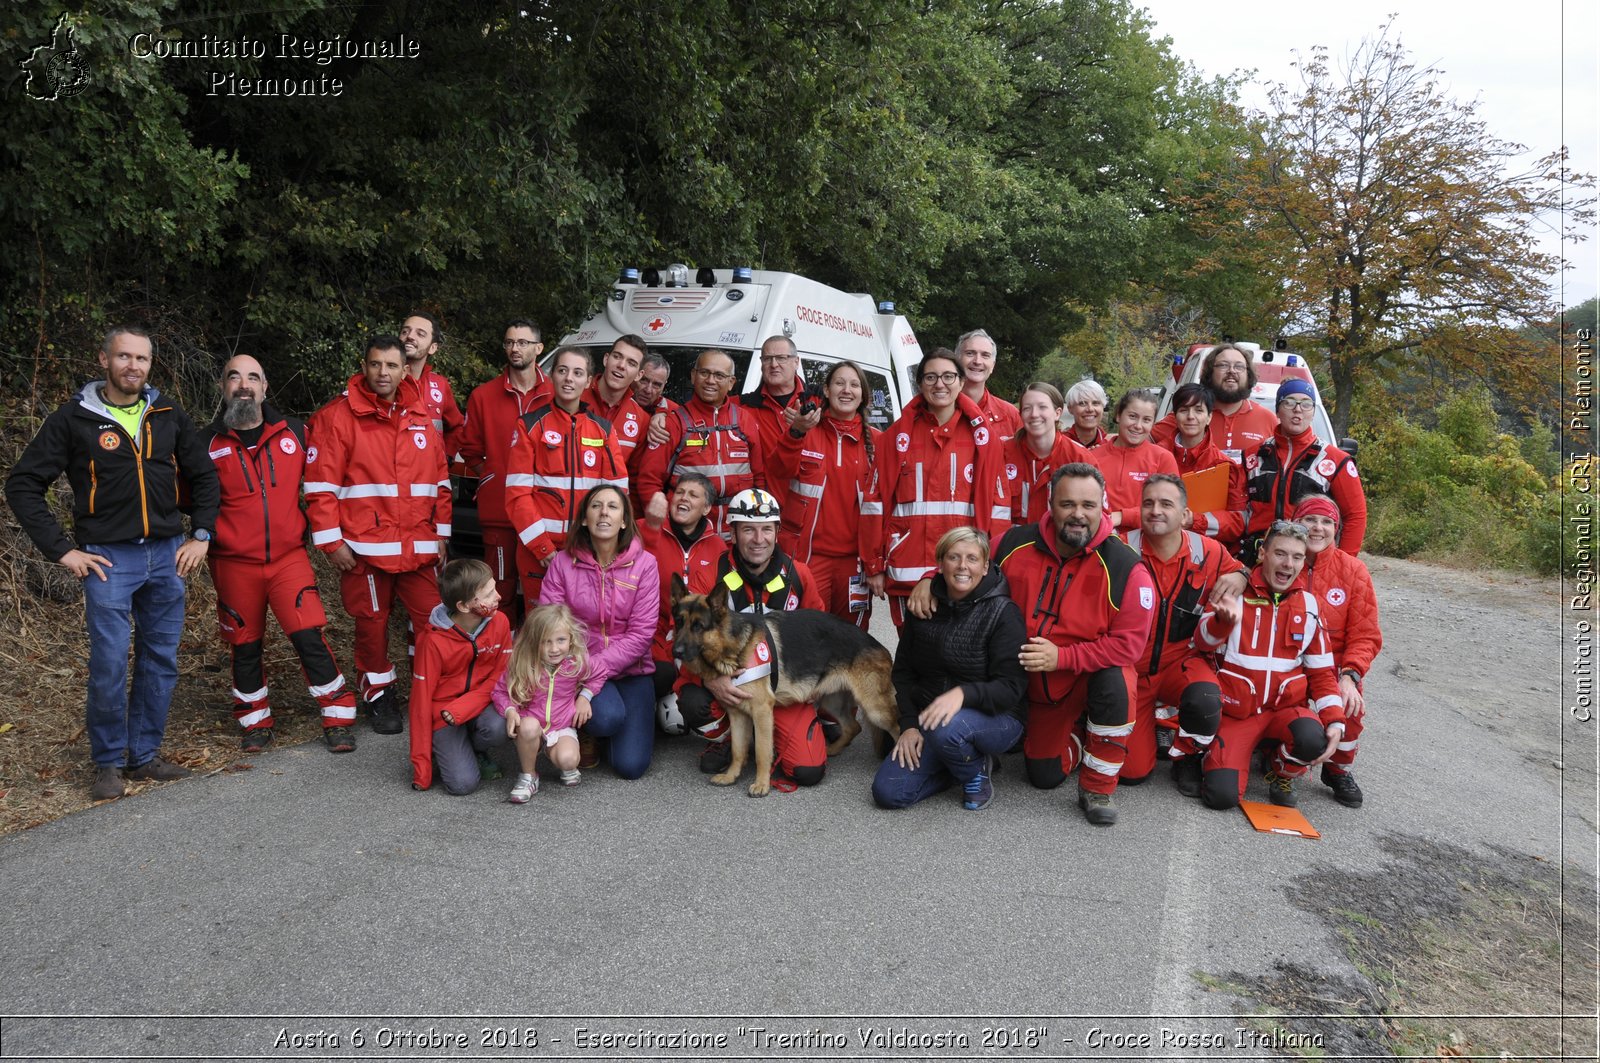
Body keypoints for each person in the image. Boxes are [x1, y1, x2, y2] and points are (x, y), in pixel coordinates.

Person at [5, 325, 219, 801]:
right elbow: (22, 484)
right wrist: (62, 550)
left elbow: (205, 474)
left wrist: (201, 534)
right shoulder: (74, 418)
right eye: (124, 357)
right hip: (108, 560)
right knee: (108, 663)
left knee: (160, 659)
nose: (133, 366)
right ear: (105, 361)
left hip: (167, 556)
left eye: (141, 359)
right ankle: (107, 762)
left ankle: (143, 756)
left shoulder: (166, 413)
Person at [202, 354, 359, 753]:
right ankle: (255, 722)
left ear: (265, 387)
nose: (244, 384)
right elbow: (189, 500)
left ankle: (338, 716)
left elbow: (328, 477)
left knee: (309, 635)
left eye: (253, 376)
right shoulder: (204, 442)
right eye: (234, 376)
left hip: (288, 558)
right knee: (245, 644)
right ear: (223, 386)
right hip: (233, 563)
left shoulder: (295, 431)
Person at [305, 334, 451, 734]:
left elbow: (440, 481)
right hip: (364, 548)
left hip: (418, 546)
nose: (383, 373)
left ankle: (432, 690)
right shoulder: (337, 417)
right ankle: (379, 694)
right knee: (372, 624)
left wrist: (442, 534)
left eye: (391, 365)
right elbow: (319, 487)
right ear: (364, 366)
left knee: (435, 621)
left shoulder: (420, 413)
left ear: (406, 369)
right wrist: (332, 542)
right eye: (375, 365)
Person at [994, 463, 1154, 826]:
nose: (1077, 514)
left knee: (1117, 679)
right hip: (1025, 683)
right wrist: (929, 580)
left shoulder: (1127, 568)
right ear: (1050, 504)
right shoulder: (1013, 543)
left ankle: (1097, 787)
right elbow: (965, 563)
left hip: (1084, 679)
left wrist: (1062, 656)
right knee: (1043, 776)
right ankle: (1077, 736)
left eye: (1088, 505)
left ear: (1103, 507)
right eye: (1067, 504)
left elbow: (1127, 648)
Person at [673, 488, 831, 783]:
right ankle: (730, 740)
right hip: (726, 686)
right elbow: (685, 639)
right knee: (694, 702)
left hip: (782, 691)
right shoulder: (709, 578)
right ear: (732, 532)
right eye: (748, 530)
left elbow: (820, 634)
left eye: (766, 530)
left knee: (807, 771)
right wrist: (709, 679)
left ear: (777, 532)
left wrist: (817, 680)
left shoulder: (798, 574)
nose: (759, 540)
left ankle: (772, 737)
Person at [871, 527, 1027, 811]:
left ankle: (976, 770)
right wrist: (908, 726)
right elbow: (904, 673)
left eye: (972, 558)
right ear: (940, 565)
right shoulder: (923, 608)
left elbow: (1011, 689)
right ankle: (958, 764)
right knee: (888, 792)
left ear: (985, 566)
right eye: (953, 557)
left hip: (998, 718)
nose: (962, 566)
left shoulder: (1003, 613)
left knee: (948, 729)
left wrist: (963, 695)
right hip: (934, 720)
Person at [1194, 519, 1346, 809]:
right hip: (1236, 714)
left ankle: (1279, 770)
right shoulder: (1233, 591)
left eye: (1297, 557)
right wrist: (1221, 623)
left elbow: (1322, 673)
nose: (1288, 564)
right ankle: (1214, 755)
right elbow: (1201, 643)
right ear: (1263, 553)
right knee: (1220, 798)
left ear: (1304, 561)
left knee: (1312, 739)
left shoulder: (1311, 605)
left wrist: (1335, 721)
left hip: (1284, 711)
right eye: (1280, 554)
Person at [1119, 475, 1245, 791]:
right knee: (1132, 774)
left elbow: (1244, 571)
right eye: (1148, 503)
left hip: (1181, 663)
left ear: (1185, 513)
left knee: (1205, 696)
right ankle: (1125, 729)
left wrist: (1241, 577)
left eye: (1166, 504)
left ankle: (1187, 756)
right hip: (1134, 667)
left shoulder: (1210, 552)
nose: (1155, 511)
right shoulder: (1120, 548)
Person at [875, 352, 1009, 628]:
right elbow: (874, 503)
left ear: (961, 383)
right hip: (907, 569)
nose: (940, 384)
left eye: (948, 377)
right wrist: (873, 564)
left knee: (962, 653)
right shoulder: (895, 437)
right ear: (920, 384)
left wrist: (992, 562)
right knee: (914, 658)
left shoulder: (983, 439)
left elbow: (998, 507)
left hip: (964, 572)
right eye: (931, 377)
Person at [538, 484, 659, 779]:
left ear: (624, 521)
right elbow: (549, 624)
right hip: (578, 669)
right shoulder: (563, 564)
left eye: (613, 507)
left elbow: (642, 634)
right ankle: (584, 727)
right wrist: (582, 669)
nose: (604, 512)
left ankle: (616, 722)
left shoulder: (645, 564)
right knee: (606, 719)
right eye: (596, 506)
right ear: (583, 519)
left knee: (631, 767)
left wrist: (596, 667)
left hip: (631, 670)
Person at [503, 347, 627, 603]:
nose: (569, 378)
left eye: (577, 372)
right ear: (552, 376)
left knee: (584, 628)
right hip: (538, 552)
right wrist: (542, 547)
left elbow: (616, 498)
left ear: (589, 381)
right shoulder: (529, 425)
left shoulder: (603, 430)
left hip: (588, 550)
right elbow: (517, 497)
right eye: (562, 370)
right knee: (542, 627)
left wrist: (598, 546)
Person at [766, 359, 883, 628]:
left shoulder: (878, 442)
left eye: (854, 385)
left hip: (855, 565)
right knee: (806, 632)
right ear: (827, 391)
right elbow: (778, 470)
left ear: (863, 395)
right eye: (839, 383)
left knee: (850, 638)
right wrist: (796, 432)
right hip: (808, 557)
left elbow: (885, 507)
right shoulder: (806, 429)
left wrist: (876, 563)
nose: (846, 390)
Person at [458, 318, 552, 619]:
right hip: (499, 513)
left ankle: (537, 656)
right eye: (510, 342)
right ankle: (501, 654)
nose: (515, 348)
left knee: (544, 590)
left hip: (544, 513)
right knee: (499, 588)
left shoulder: (555, 393)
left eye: (523, 343)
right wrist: (492, 474)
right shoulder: (483, 396)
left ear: (538, 348)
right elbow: (470, 449)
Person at [1293, 494, 1381, 807]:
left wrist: (1350, 675)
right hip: (1289, 664)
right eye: (1309, 520)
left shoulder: (1354, 571)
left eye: (1326, 522)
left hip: (1334, 668)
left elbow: (1365, 635)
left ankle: (1337, 769)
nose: (1318, 528)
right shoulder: (1283, 560)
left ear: (1336, 528)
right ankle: (1280, 756)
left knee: (1351, 707)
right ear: (1296, 524)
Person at [406, 559, 513, 794]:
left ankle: (474, 749)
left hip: (477, 705)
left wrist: (464, 708)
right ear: (464, 606)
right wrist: (421, 772)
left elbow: (501, 676)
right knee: (462, 786)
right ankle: (441, 749)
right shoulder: (432, 641)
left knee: (498, 726)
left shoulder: (501, 622)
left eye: (494, 587)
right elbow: (420, 704)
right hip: (444, 714)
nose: (498, 596)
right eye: (488, 593)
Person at [637, 348, 766, 539]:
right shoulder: (675, 423)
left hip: (738, 537)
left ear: (731, 383)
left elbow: (759, 478)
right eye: (704, 373)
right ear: (693, 376)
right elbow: (648, 482)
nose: (711, 380)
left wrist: (758, 524)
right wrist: (667, 527)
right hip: (687, 536)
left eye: (719, 375)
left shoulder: (744, 420)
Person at [1242, 378, 1367, 559]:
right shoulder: (1252, 455)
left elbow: (1356, 516)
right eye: (1289, 402)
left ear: (1313, 412)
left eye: (1306, 403)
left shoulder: (1336, 460)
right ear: (1277, 410)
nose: (1298, 409)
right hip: (1259, 556)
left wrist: (1342, 563)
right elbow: (1237, 513)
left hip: (1308, 559)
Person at [639, 472, 728, 706]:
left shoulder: (718, 546)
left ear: (707, 508)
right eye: (679, 492)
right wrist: (650, 529)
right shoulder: (646, 529)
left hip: (695, 639)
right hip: (653, 637)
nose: (683, 498)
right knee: (660, 677)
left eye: (693, 495)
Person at [491, 603, 589, 802]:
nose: (554, 649)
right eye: (546, 642)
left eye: (560, 640)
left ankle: (555, 753)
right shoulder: (524, 664)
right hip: (531, 724)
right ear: (534, 642)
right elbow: (499, 691)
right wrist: (510, 711)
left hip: (561, 726)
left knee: (569, 761)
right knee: (528, 727)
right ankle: (529, 776)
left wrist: (585, 697)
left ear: (570, 639)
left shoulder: (577, 662)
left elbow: (600, 673)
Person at [1157, 382, 1248, 549]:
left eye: (1198, 410)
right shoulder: (1155, 456)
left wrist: (1196, 521)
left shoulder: (1224, 466)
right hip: (1158, 546)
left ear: (1209, 417)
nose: (1191, 416)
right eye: (1184, 410)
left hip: (1203, 552)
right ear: (1174, 416)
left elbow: (1237, 523)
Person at [1150, 344, 1276, 462]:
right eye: (1223, 365)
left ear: (1248, 375)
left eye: (1239, 366)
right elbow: (1141, 443)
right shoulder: (1190, 416)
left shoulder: (1268, 419)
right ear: (1209, 373)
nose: (1231, 371)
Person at [1001, 382, 1090, 527]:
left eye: (1042, 407)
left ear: (1057, 413)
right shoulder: (1002, 452)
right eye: (1027, 408)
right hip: (1012, 545)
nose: (1034, 414)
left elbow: (1097, 513)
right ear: (1021, 415)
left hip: (1059, 546)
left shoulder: (1079, 457)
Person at [1090, 389, 1179, 533]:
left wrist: (1122, 516)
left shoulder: (1163, 458)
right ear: (1118, 415)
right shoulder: (1092, 457)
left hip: (1147, 543)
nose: (1138, 425)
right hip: (1101, 541)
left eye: (1146, 420)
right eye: (1132, 416)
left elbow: (1170, 510)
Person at [738, 336, 814, 503]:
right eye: (767, 359)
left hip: (814, 512)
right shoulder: (742, 406)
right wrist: (665, 412)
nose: (773, 364)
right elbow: (704, 409)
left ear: (796, 362)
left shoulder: (820, 400)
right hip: (766, 511)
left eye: (781, 358)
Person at [581, 334, 650, 472]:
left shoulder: (642, 419)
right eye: (617, 357)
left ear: (639, 375)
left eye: (631, 363)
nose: (621, 365)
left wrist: (663, 415)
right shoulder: (574, 399)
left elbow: (634, 478)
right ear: (606, 359)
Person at [398, 311, 465, 456]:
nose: (410, 336)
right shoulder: (382, 380)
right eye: (405, 331)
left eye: (420, 334)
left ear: (433, 348)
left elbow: (457, 426)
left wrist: (447, 455)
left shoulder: (440, 385)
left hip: (431, 474)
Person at [954, 329, 1022, 437]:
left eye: (985, 355)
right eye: (970, 353)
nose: (977, 361)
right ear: (956, 360)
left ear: (993, 366)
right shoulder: (936, 411)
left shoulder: (1011, 416)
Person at [1064, 379, 1110, 449]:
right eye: (1082, 403)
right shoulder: (1060, 443)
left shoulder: (1110, 444)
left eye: (1095, 403)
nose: (1090, 409)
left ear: (1103, 407)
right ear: (1070, 408)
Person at [633, 352, 675, 417]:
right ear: (635, 376)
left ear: (664, 386)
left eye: (656, 385)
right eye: (644, 380)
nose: (648, 390)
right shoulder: (615, 400)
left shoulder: (675, 412)